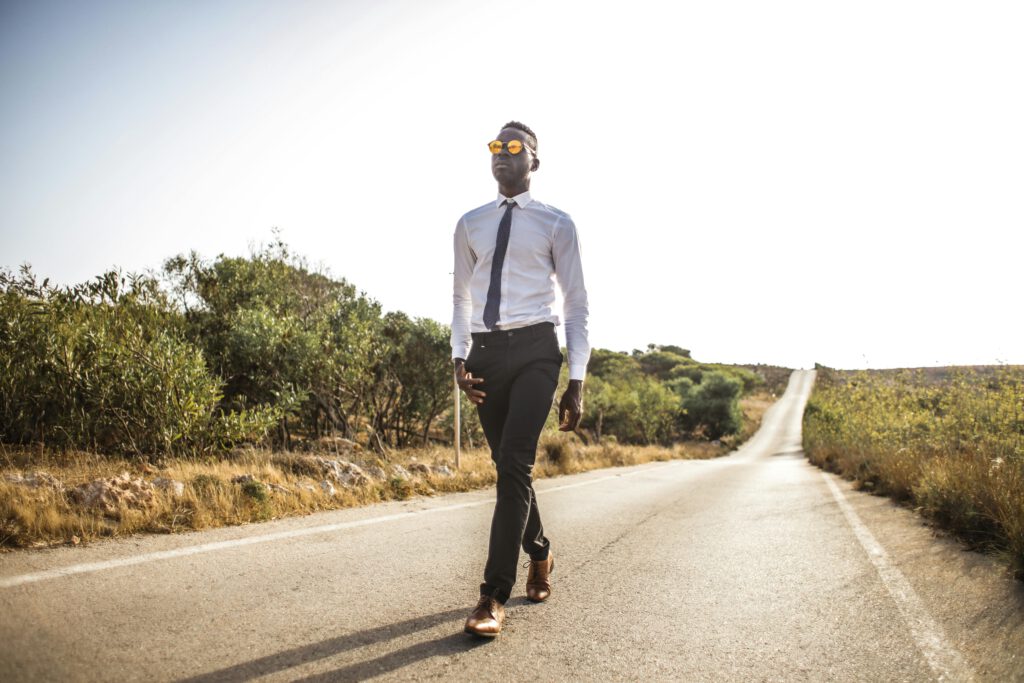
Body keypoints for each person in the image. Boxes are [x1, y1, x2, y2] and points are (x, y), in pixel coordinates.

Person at [451, 121, 590, 637]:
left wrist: (576, 379)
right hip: (486, 352)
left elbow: (575, 303)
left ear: (534, 160)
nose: (502, 155)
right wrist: (459, 358)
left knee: (513, 465)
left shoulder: (557, 224)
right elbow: (461, 299)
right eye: (495, 147)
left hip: (536, 350)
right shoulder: (470, 223)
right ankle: (540, 552)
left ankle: (491, 598)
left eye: (514, 148)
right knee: (510, 470)